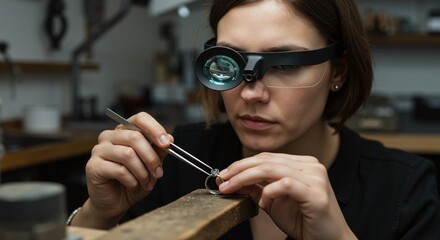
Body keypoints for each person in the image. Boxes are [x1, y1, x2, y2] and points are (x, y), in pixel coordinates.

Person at [69, 0, 440, 239]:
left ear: (338, 71)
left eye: (281, 65)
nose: (251, 94)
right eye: (229, 63)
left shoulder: (404, 191)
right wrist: (97, 216)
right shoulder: (171, 163)